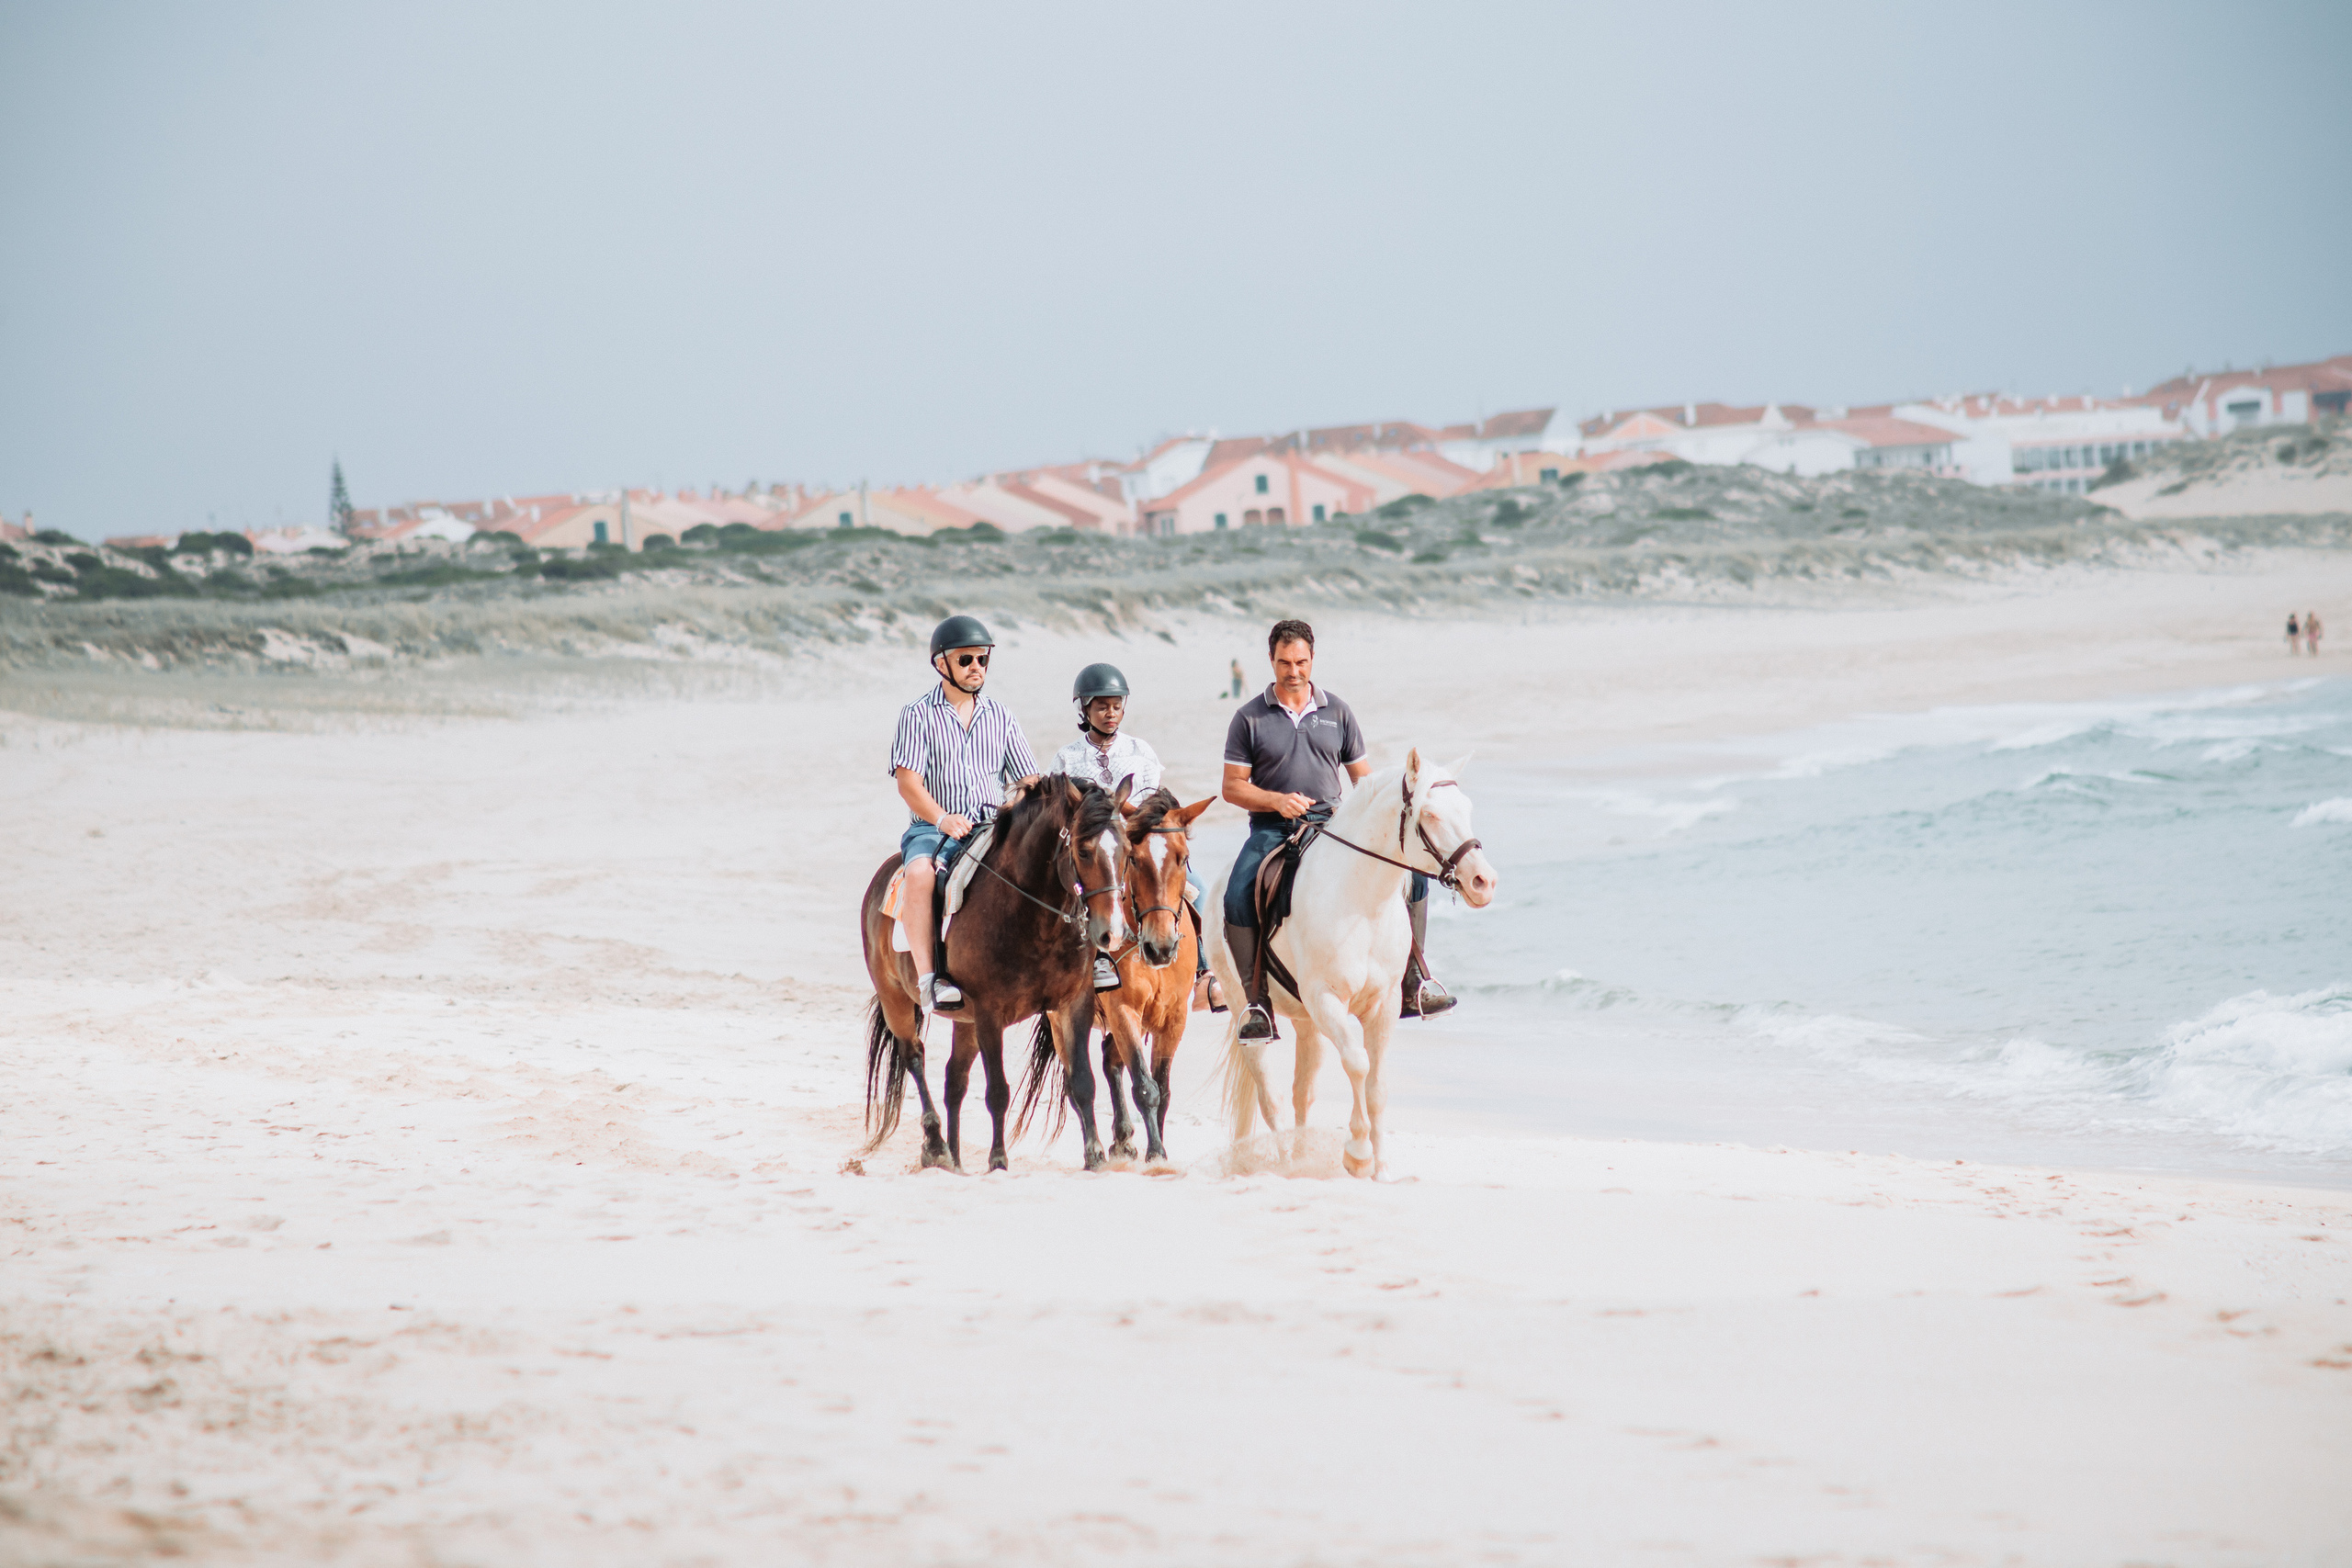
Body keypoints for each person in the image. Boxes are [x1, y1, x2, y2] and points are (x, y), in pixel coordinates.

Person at [1219, 617, 1453, 1044]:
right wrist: (1276, 801)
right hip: (1274, 828)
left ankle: (1414, 979)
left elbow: (1362, 781)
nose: (1294, 671)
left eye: (1302, 661)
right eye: (1285, 662)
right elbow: (1232, 787)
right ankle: (1257, 1004)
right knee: (1237, 894)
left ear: (1313, 659)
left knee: (1415, 876)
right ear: (1271, 660)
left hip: (1333, 824)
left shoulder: (1338, 711)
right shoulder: (1248, 717)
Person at [1047, 662, 1224, 1010]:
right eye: (1101, 706)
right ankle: (1065, 969)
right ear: (1084, 708)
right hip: (1097, 849)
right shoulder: (1067, 757)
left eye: (1116, 706)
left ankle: (1205, 972)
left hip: (1139, 840)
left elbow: (1154, 801)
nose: (1110, 713)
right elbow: (1061, 810)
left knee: (1195, 885)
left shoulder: (1141, 751)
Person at [889, 615, 1041, 1014]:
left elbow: (1028, 778)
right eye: (966, 660)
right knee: (920, 875)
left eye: (983, 660)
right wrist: (943, 818)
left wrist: (1016, 804)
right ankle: (929, 979)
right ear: (942, 664)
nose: (977, 667)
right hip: (933, 828)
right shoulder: (917, 715)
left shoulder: (1002, 716)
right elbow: (909, 785)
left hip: (994, 825)